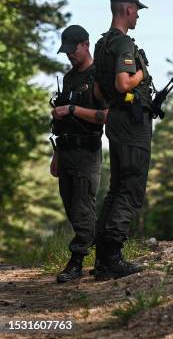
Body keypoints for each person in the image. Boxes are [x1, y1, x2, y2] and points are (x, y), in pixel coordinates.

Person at [93, 0, 153, 280]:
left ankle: (102, 259)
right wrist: (141, 73)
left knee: (116, 187)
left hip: (115, 121)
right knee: (130, 188)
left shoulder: (101, 45)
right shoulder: (124, 44)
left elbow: (97, 91)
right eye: (137, 10)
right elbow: (122, 83)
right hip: (131, 124)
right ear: (127, 10)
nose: (139, 15)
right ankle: (113, 259)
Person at [50, 25, 108, 283]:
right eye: (66, 52)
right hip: (66, 151)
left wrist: (73, 109)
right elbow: (62, 122)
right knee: (72, 209)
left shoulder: (98, 76)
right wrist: (56, 154)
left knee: (83, 209)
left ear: (85, 45)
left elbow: (106, 116)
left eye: (72, 51)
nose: (69, 56)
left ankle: (76, 262)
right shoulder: (70, 77)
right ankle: (105, 255)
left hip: (87, 152)